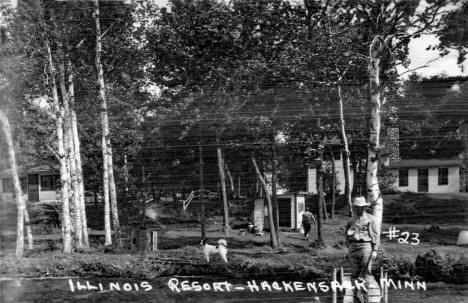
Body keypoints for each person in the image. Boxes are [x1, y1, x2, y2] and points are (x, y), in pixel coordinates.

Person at [345, 197, 380, 303]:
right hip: (353, 247)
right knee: (354, 274)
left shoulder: (371, 219)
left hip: (365, 246)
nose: (360, 209)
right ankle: (356, 297)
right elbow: (346, 235)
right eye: (358, 207)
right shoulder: (351, 220)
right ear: (355, 208)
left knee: (365, 274)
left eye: (362, 207)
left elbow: (376, 236)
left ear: (365, 207)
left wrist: (374, 250)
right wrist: (348, 247)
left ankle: (365, 299)